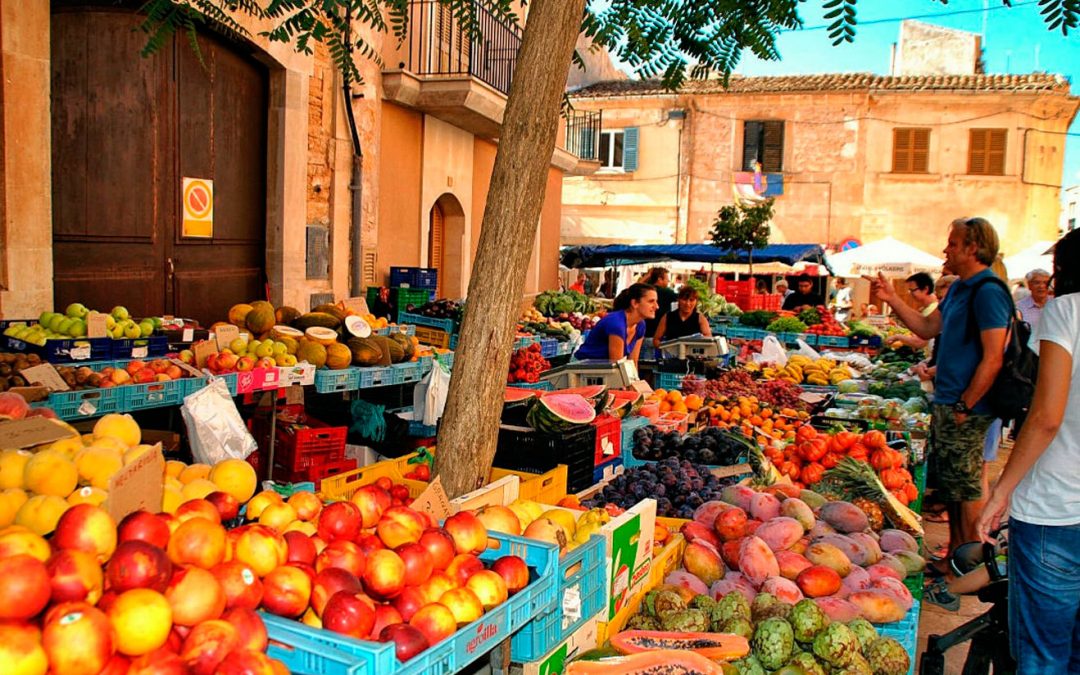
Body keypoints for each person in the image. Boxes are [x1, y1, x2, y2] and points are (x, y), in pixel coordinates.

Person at [868, 217, 1011, 573]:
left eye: (952, 243)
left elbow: (994, 356)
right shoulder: (962, 288)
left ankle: (970, 560)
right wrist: (891, 300)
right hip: (948, 401)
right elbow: (928, 327)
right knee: (953, 486)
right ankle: (956, 557)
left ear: (972, 247)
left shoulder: (989, 291)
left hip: (968, 405)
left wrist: (966, 404)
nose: (945, 249)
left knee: (965, 486)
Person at [976, 228, 1080, 673]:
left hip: (1056, 510)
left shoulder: (1067, 310)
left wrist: (1001, 491)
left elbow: (1046, 417)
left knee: (1042, 657)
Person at [574, 283, 658, 368]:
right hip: (582, 371)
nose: (656, 306)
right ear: (635, 303)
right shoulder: (617, 324)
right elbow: (617, 366)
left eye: (656, 301)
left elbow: (633, 363)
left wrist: (636, 380)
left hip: (604, 372)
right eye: (651, 301)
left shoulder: (640, 325)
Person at [892, 273, 937, 350]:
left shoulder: (932, 311)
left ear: (925, 289)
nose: (911, 294)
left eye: (913, 290)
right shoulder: (928, 308)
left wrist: (897, 337)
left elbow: (919, 342)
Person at [642, 267, 677, 338]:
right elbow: (682, 298)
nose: (669, 281)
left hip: (644, 331)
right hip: (659, 333)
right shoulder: (667, 292)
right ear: (660, 279)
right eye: (667, 279)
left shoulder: (644, 290)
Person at [1016, 268, 1050, 334]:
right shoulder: (1019, 307)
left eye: (1045, 283)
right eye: (1037, 283)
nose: (1041, 286)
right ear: (1029, 285)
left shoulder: (1057, 304)